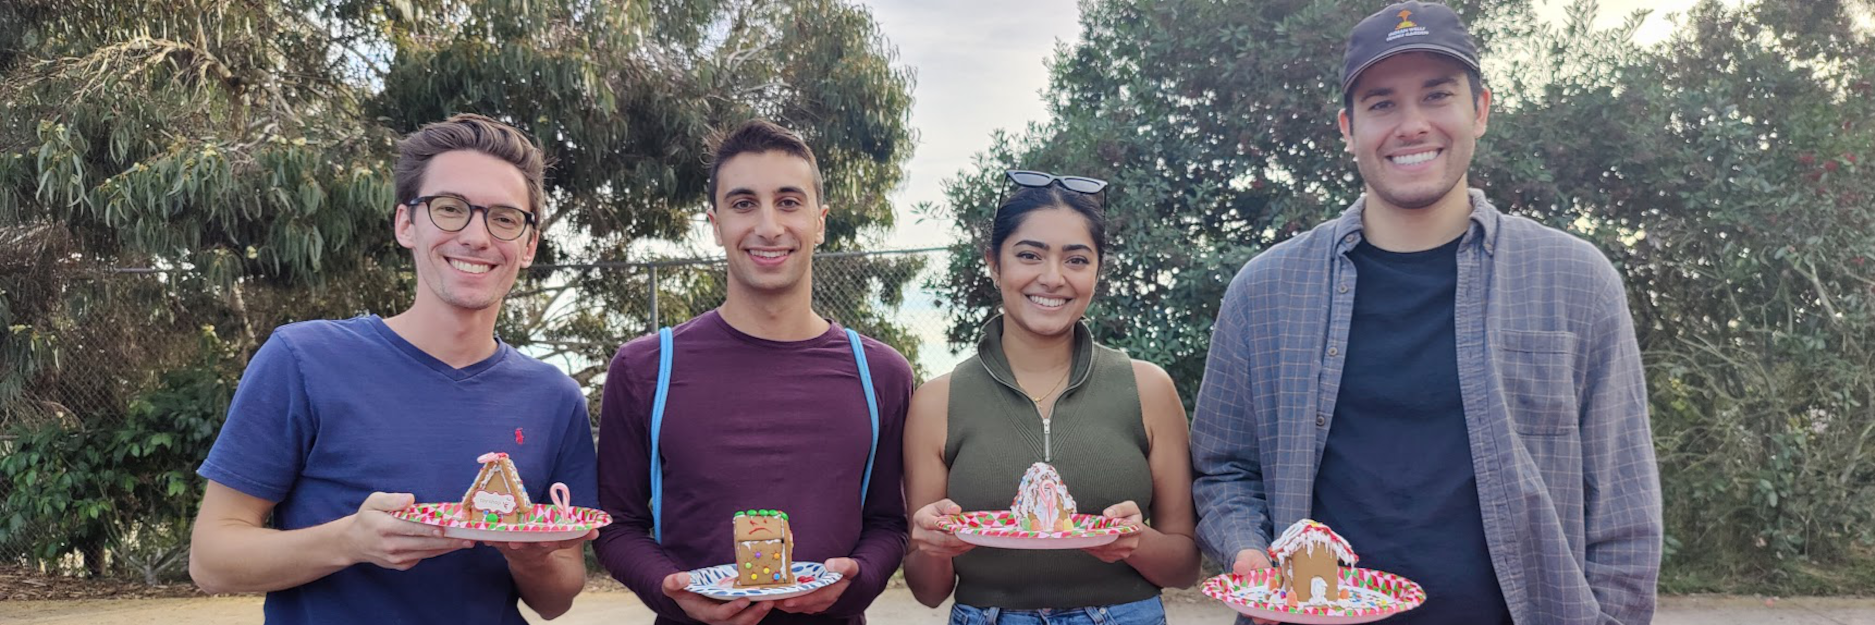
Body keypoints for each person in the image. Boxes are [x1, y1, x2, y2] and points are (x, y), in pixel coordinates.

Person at [1189, 2, 1662, 624]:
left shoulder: (1575, 281)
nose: (1411, 125)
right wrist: (1246, 550)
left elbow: (1623, 508)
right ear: (1347, 127)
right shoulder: (1265, 291)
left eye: (1437, 96)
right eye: (1382, 103)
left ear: (1481, 111)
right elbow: (1224, 469)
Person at [189, 113, 598, 623]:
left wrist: (528, 556)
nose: (476, 236)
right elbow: (212, 560)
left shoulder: (553, 397)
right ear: (406, 223)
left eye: (505, 218)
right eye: (450, 209)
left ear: (529, 245)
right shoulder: (303, 359)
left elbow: (557, 598)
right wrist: (350, 541)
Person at [593, 119, 914, 625]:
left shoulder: (882, 373)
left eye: (789, 202)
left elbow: (888, 523)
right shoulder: (644, 368)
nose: (768, 226)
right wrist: (669, 588)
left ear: (821, 220)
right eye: (744, 204)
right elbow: (618, 523)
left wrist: (857, 579)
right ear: (715, 223)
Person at [902, 171, 1200, 625]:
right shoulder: (936, 401)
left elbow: (1183, 566)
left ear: (1097, 272)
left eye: (1077, 260)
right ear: (994, 263)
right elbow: (927, 590)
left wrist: (1133, 541)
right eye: (1029, 255)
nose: (1053, 277)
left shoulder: (1148, 389)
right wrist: (936, 546)